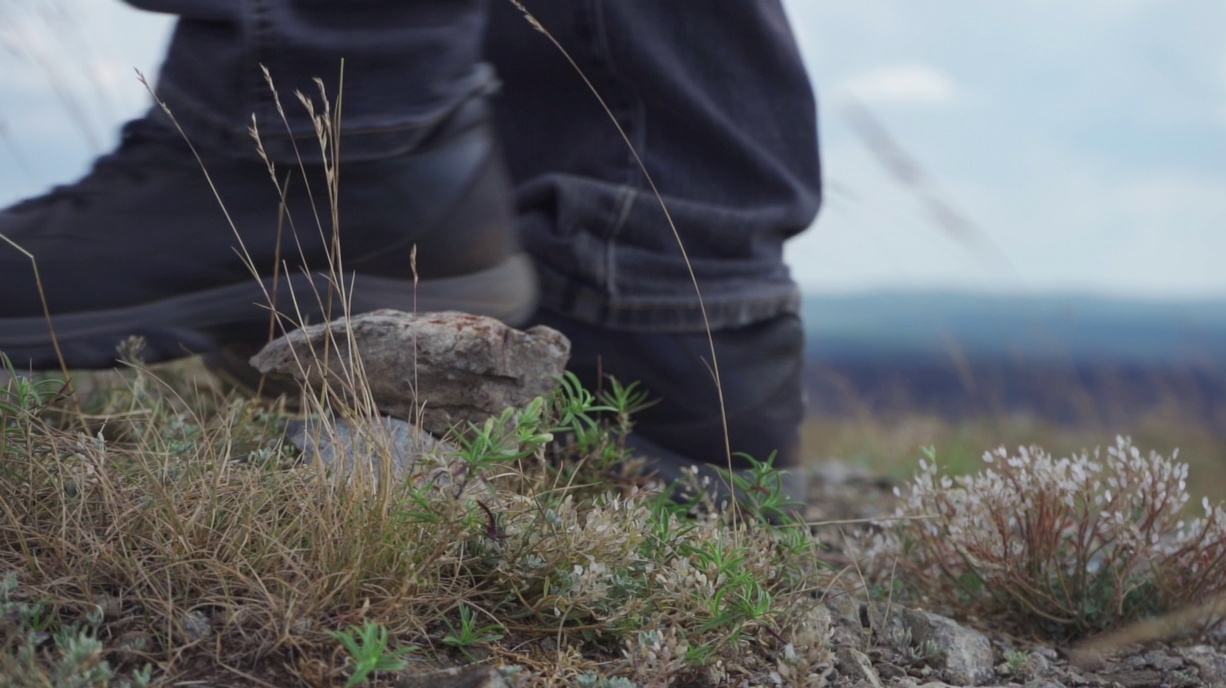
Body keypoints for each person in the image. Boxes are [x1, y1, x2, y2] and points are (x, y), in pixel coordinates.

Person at [0, 1, 821, 505]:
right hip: (690, 304)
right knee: (669, 274)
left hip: (320, 125)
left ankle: (312, 129)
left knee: (324, 102)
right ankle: (673, 304)